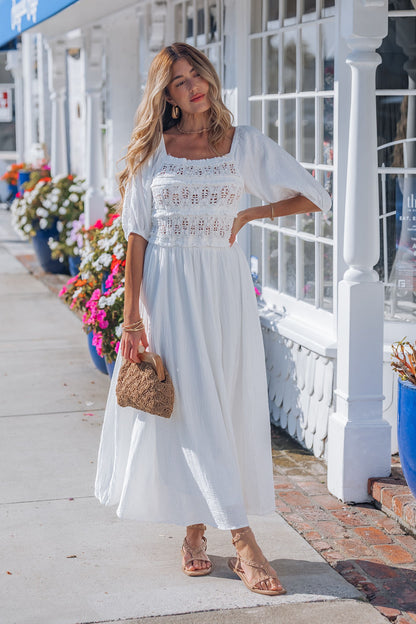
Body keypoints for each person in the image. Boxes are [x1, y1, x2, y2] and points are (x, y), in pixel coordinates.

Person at [95, 42, 331, 596]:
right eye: (177, 81)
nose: (192, 84)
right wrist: (131, 317)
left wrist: (253, 210)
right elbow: (136, 236)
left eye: (195, 72)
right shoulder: (155, 151)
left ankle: (195, 533)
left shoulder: (242, 143)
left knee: (219, 405)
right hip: (169, 293)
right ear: (167, 97)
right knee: (194, 403)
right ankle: (244, 543)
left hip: (224, 293)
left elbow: (313, 196)